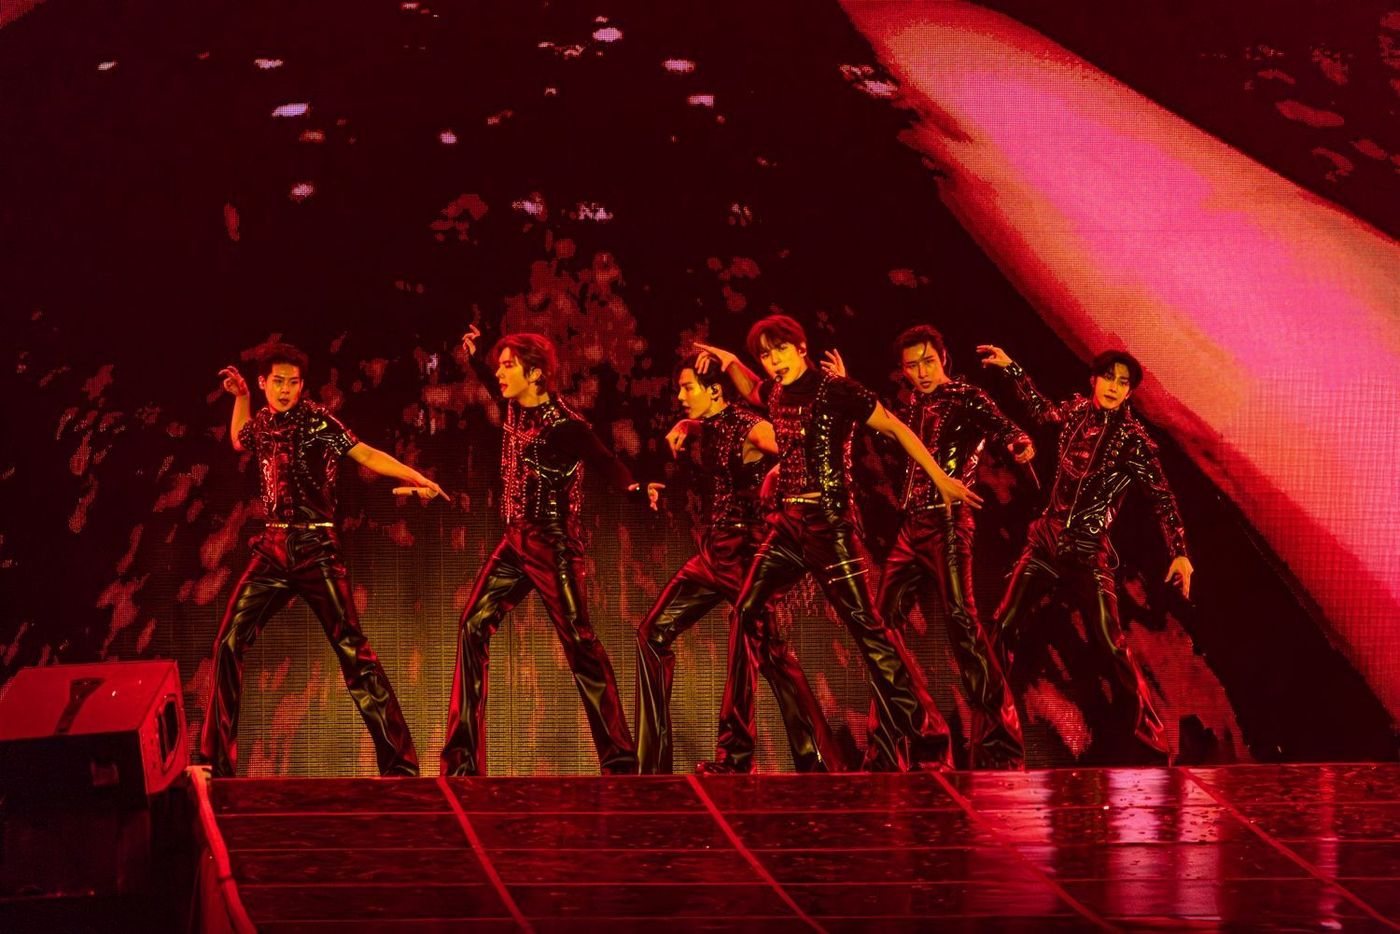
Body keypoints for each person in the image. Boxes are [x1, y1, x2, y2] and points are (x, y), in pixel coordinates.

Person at [692, 315, 983, 773]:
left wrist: (939, 477)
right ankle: (735, 756)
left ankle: (930, 742)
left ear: (801, 348)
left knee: (869, 631)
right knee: (745, 614)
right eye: (765, 355)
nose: (773, 361)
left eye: (780, 350)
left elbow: (895, 428)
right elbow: (752, 389)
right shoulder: (777, 391)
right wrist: (730, 361)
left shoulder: (836, 390)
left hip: (829, 526)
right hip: (788, 525)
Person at [200, 343, 440, 778]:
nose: (285, 390)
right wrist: (241, 399)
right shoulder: (262, 421)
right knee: (228, 643)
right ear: (263, 383)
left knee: (353, 651)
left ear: (302, 385)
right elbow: (238, 439)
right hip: (273, 548)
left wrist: (415, 475)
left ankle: (401, 765)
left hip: (316, 548)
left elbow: (365, 453)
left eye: (293, 382)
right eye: (278, 382)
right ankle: (216, 764)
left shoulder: (317, 420)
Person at [441, 327, 657, 776]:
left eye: (509, 366)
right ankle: (462, 762)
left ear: (535, 373)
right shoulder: (514, 407)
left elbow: (607, 462)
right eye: (500, 366)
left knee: (580, 643)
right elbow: (488, 377)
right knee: (472, 626)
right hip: (514, 540)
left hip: (553, 543)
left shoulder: (566, 425)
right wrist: (477, 353)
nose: (500, 374)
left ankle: (620, 761)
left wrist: (637, 490)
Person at [823, 325, 1032, 769]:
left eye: (928, 362)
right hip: (911, 527)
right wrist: (846, 386)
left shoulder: (966, 397)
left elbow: (1005, 428)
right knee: (880, 629)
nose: (921, 372)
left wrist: (1021, 444)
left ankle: (1000, 748)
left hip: (949, 523)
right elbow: (884, 427)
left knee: (963, 625)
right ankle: (892, 746)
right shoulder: (912, 405)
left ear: (944, 359)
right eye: (912, 366)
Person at [979, 344, 1194, 763]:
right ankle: (994, 730)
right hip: (1046, 541)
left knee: (1111, 645)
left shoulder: (1134, 443)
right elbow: (1042, 410)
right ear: (1093, 380)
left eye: (1123, 383)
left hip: (1087, 551)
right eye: (1108, 378)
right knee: (1002, 626)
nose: (1114, 387)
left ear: (1129, 392)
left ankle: (1151, 745)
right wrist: (1011, 368)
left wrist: (1180, 553)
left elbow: (1162, 498)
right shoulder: (1076, 412)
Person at [634, 356, 843, 774]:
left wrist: (779, 471)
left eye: (688, 388)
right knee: (652, 634)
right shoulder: (712, 422)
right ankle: (651, 767)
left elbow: (807, 449)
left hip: (748, 553)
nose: (680, 396)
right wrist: (688, 424)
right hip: (715, 553)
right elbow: (715, 424)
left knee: (757, 652)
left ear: (714, 391)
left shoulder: (754, 428)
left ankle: (747, 759)